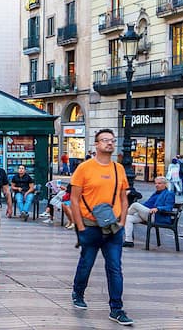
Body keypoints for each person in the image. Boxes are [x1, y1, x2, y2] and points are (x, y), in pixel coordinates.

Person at [70, 128, 134, 325]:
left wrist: (122, 222)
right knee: (86, 263)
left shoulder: (119, 169)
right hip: (90, 226)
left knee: (115, 267)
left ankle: (117, 308)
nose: (109, 143)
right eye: (105, 140)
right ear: (96, 145)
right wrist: (80, 226)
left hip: (113, 228)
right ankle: (78, 292)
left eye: (112, 140)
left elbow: (124, 199)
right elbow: (74, 199)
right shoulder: (84, 168)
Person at [122, 176, 175, 248]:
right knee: (128, 218)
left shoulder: (169, 194)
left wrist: (158, 208)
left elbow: (169, 207)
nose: (157, 185)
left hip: (156, 216)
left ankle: (120, 218)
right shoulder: (156, 193)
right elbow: (147, 204)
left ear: (165, 184)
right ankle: (129, 241)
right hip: (147, 214)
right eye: (156, 183)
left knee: (135, 205)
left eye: (159, 183)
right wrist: (139, 210)